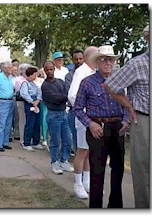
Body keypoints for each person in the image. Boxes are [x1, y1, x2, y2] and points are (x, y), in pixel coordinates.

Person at [73, 45, 129, 208]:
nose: (108, 63)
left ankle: (116, 207)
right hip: (98, 129)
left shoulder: (119, 83)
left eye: (110, 59)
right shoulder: (87, 82)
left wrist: (125, 121)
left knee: (118, 170)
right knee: (97, 173)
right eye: (104, 59)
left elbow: (126, 105)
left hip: (117, 128)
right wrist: (90, 124)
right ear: (97, 62)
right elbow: (77, 108)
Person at [103, 25, 150, 208]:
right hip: (145, 120)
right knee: (144, 170)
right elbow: (110, 86)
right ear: (147, 38)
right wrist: (130, 107)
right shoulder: (137, 63)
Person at [68, 46, 98, 199]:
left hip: (94, 119)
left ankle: (87, 182)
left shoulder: (93, 72)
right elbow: (73, 95)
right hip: (84, 118)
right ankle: (78, 184)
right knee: (82, 150)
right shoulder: (82, 72)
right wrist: (86, 112)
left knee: (89, 151)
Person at [41, 61, 72, 175]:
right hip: (53, 114)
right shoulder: (45, 86)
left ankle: (64, 160)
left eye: (51, 69)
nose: (49, 72)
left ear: (54, 69)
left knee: (68, 139)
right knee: (55, 140)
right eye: (47, 70)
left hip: (64, 113)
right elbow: (54, 98)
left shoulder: (60, 82)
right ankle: (55, 162)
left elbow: (66, 93)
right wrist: (63, 97)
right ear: (44, 71)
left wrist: (63, 96)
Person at [53, 51, 74, 172]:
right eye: (58, 59)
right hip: (55, 104)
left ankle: (64, 159)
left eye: (62, 59)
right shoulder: (51, 70)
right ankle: (55, 160)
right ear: (54, 60)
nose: (60, 61)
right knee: (56, 135)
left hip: (66, 102)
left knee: (67, 135)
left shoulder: (66, 70)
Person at [20, 67, 45, 151]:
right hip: (29, 104)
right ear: (31, 74)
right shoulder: (25, 83)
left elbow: (39, 92)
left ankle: (36, 142)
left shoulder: (34, 84)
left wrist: (37, 101)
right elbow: (24, 94)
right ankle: (26, 142)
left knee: (37, 123)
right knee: (30, 123)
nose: (36, 76)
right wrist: (32, 101)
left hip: (36, 103)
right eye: (35, 74)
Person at [65, 49, 84, 155]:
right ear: (72, 60)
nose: (78, 61)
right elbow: (70, 94)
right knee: (77, 139)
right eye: (76, 59)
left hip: (90, 112)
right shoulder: (69, 76)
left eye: (80, 58)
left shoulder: (90, 73)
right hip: (74, 110)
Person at [14, 63, 31, 146]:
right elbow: (22, 92)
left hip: (29, 102)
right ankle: (22, 138)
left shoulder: (28, 79)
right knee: (22, 120)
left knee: (28, 120)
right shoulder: (18, 80)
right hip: (21, 102)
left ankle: (28, 137)